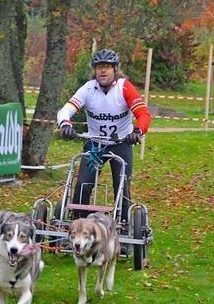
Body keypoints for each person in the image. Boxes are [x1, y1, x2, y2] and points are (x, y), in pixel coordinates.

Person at [56, 48, 151, 229]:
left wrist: (138, 131)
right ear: (94, 70)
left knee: (121, 185)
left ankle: (122, 227)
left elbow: (143, 114)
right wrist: (65, 124)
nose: (103, 71)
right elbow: (65, 110)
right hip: (95, 145)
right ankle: (79, 226)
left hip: (121, 143)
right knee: (83, 183)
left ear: (115, 69)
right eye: (99, 67)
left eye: (107, 67)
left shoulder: (124, 88)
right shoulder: (88, 89)